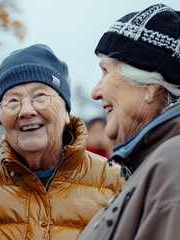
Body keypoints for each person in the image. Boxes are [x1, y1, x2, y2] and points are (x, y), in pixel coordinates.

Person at [0, 44, 123, 240]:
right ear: (0, 117)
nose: (26, 111)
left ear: (66, 112)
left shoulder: (115, 181)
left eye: (40, 96)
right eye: (13, 101)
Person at [77, 4, 180, 240]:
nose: (95, 92)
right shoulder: (153, 162)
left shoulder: (172, 165)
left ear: (150, 88)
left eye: (105, 71)